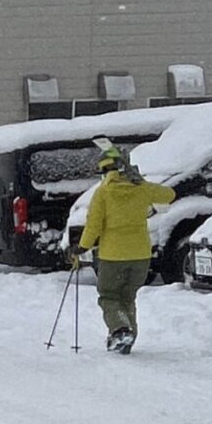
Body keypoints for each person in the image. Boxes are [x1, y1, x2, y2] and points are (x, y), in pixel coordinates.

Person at [75, 142, 175, 353]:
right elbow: (169, 195)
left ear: (104, 170)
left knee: (109, 296)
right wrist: (143, 181)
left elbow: (94, 224)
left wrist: (81, 247)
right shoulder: (142, 189)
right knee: (128, 298)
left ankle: (121, 331)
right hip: (140, 256)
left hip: (113, 256)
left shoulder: (103, 193)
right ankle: (125, 341)